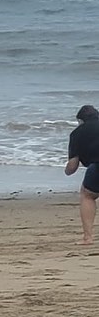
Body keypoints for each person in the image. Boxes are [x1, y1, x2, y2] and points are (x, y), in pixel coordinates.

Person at [65, 105, 99, 245]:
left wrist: (67, 171)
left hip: (97, 166)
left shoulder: (77, 133)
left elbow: (73, 166)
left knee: (87, 195)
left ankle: (88, 238)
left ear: (80, 120)